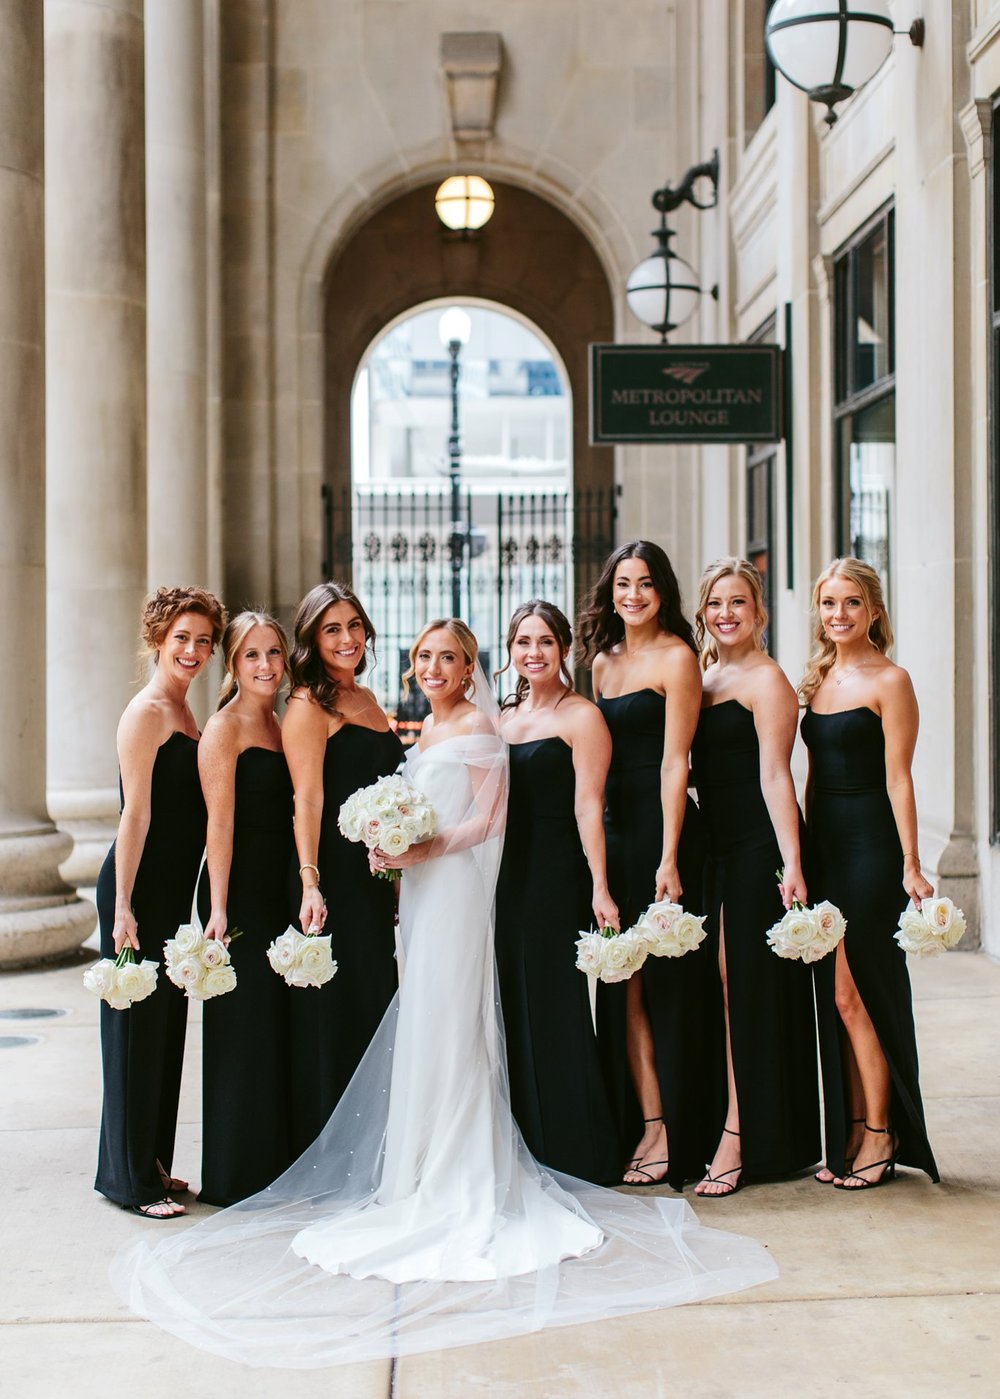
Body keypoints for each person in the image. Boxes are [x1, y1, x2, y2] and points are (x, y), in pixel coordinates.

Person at [111, 619, 776, 1368]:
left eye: (448, 659)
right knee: (425, 1017)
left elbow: (486, 821)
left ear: (469, 668)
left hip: (457, 890)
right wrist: (391, 857)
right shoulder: (424, 733)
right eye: (424, 658)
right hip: (422, 895)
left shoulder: (481, 727)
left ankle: (461, 1168)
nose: (435, 668)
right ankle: (419, 1167)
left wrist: (420, 849)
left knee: (455, 1017)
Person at [800, 558, 939, 1189]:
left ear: (874, 610)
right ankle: (853, 1130)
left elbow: (898, 778)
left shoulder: (892, 679)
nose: (838, 615)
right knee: (837, 999)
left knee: (857, 995)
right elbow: (808, 773)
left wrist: (910, 862)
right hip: (824, 844)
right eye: (829, 604)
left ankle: (881, 1135)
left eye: (851, 603)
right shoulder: (818, 679)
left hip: (870, 847)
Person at [576, 540, 708, 1189]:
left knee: (665, 989)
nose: (633, 594)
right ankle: (643, 1123)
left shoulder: (680, 658)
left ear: (663, 592)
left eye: (646, 583)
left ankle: (671, 1131)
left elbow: (675, 761)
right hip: (614, 830)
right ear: (611, 590)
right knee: (621, 984)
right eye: (623, 583)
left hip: (662, 830)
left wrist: (669, 856)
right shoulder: (600, 663)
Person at [94, 585, 226, 1218]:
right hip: (137, 887)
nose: (195, 650)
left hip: (173, 891)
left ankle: (152, 1162)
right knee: (133, 1033)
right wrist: (122, 907)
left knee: (165, 1033)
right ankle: (128, 1183)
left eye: (204, 640)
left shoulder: (186, 710)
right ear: (157, 641)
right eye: (183, 638)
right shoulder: (147, 711)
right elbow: (135, 814)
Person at [690, 559, 820, 1196]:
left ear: (758, 611)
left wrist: (791, 860)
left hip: (755, 844)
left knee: (740, 982)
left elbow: (776, 776)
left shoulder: (767, 680)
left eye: (737, 602)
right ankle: (747, 1122)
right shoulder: (706, 675)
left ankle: (741, 1134)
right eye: (715, 602)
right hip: (710, 843)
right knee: (719, 984)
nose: (725, 613)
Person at [495, 600, 621, 1183]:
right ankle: (520, 1138)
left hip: (554, 872)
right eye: (524, 642)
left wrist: (599, 884)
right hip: (501, 873)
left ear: (564, 648)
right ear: (511, 650)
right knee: (508, 999)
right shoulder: (500, 718)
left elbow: (589, 805)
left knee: (554, 1000)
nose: (534, 653)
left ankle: (575, 1145)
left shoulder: (582, 718)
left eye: (545, 642)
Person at [281, 582, 404, 1155]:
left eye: (354, 625)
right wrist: (310, 881)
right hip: (331, 879)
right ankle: (332, 1149)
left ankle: (374, 1139)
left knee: (375, 998)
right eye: (332, 629)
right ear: (311, 637)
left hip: (375, 881)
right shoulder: (309, 704)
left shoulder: (369, 699)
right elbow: (306, 798)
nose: (347, 638)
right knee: (337, 1010)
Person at [196, 611, 295, 1205]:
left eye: (273, 654)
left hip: (282, 885)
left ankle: (277, 1159)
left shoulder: (282, 723)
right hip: (241, 889)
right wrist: (218, 908)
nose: (265, 666)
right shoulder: (225, 727)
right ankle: (237, 1171)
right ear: (232, 664)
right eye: (251, 655)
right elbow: (219, 823)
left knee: (276, 1026)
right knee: (244, 1025)